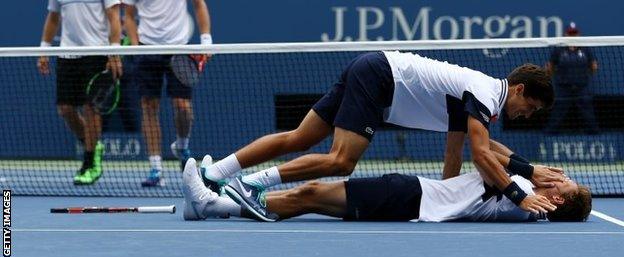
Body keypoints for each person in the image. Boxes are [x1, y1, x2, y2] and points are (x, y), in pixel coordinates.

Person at [199, 51, 559, 220]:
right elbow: (481, 154)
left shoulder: (478, 101)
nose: (528, 114)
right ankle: (250, 185)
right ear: (520, 89)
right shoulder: (484, 92)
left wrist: (448, 197)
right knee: (342, 160)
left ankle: (213, 175)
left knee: (300, 137)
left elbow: (460, 152)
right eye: (532, 107)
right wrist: (519, 195)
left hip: (374, 68)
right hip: (383, 79)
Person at [182, 158, 591, 222]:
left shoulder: (522, 192)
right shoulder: (525, 195)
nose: (559, 174)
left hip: (409, 197)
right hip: (411, 196)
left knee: (308, 194)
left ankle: (214, 203)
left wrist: (531, 173)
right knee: (309, 196)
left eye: (564, 181)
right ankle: (212, 205)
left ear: (557, 198)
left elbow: (489, 156)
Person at [123, 0, 212, 187]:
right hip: (147, 49)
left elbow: (199, 4)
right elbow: (129, 16)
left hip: (179, 48)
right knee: (149, 107)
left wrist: (206, 40)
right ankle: (156, 168)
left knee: (183, 107)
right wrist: (135, 47)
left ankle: (182, 146)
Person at [37, 0, 123, 185]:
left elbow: (114, 17)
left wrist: (114, 53)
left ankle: (89, 162)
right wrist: (43, 50)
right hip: (67, 54)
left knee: (91, 109)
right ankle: (93, 145)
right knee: (65, 109)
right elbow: (53, 17)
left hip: (96, 52)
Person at [545, 22, 599, 134]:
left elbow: (593, 66)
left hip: (582, 88)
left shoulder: (585, 49)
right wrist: (551, 73)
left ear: (578, 34)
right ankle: (548, 136)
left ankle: (595, 135)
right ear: (565, 34)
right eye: (570, 33)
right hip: (563, 88)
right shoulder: (559, 49)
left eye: (574, 33)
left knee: (588, 114)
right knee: (557, 114)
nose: (572, 35)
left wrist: (583, 74)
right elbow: (550, 66)